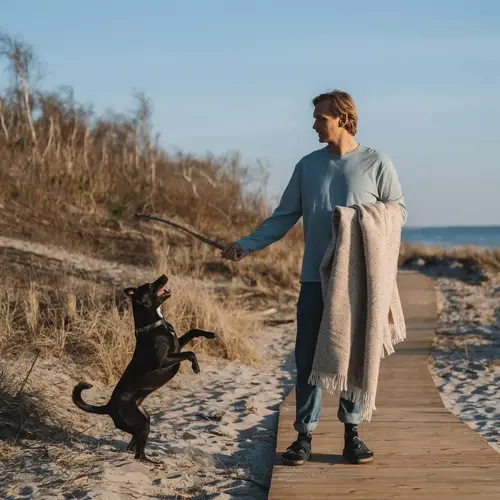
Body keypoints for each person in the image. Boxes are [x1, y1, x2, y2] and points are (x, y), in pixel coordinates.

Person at [220, 90, 407, 466]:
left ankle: (352, 433)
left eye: (320, 118)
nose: (314, 125)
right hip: (313, 278)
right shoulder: (308, 166)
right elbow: (285, 215)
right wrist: (246, 245)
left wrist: (363, 218)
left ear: (341, 117)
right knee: (307, 357)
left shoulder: (376, 162)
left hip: (357, 278)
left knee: (353, 352)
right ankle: (304, 435)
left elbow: (397, 211)